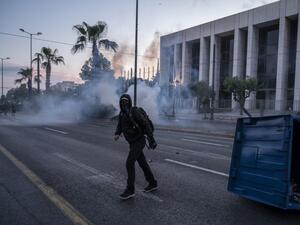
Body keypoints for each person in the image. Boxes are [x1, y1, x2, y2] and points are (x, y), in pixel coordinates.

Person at [114, 94, 157, 200]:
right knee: (143, 163)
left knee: (129, 163)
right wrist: (117, 133)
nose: (124, 103)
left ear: (129, 101)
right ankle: (153, 183)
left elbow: (145, 124)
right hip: (132, 142)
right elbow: (120, 126)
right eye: (122, 101)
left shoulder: (134, 111)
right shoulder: (122, 114)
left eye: (126, 101)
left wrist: (151, 139)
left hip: (139, 141)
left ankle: (130, 190)